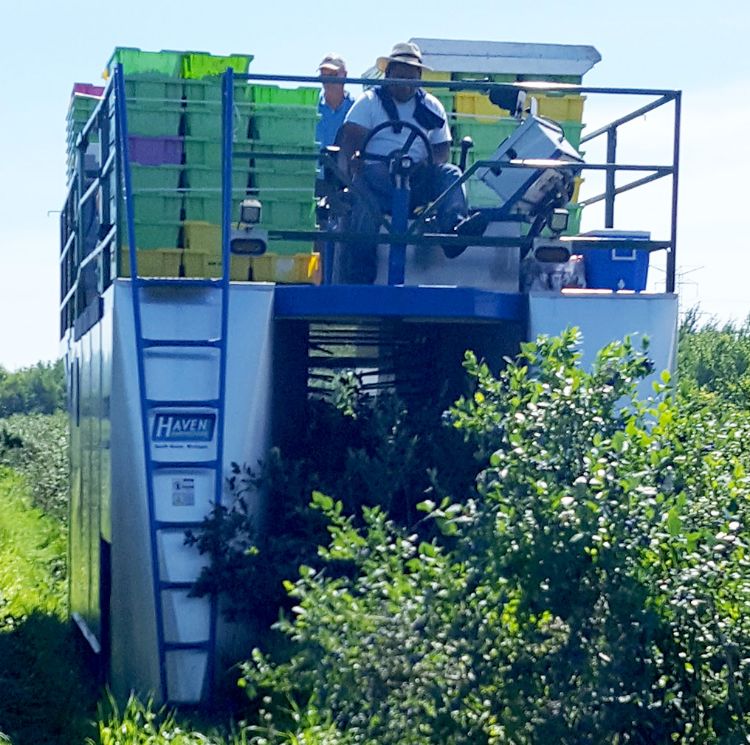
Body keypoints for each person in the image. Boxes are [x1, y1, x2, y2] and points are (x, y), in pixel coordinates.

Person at [335, 41, 485, 283]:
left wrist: (425, 165)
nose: (405, 81)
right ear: (389, 73)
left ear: (419, 76)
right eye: (400, 74)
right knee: (361, 200)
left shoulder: (431, 106)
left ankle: (454, 230)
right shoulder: (369, 102)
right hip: (375, 179)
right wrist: (349, 172)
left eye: (411, 75)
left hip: (417, 181)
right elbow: (350, 142)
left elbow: (441, 149)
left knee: (451, 173)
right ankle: (360, 275)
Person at [316, 53, 354, 188]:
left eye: (332, 75)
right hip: (313, 179)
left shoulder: (357, 108)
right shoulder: (311, 107)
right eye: (324, 76)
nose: (328, 81)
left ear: (345, 75)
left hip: (347, 182)